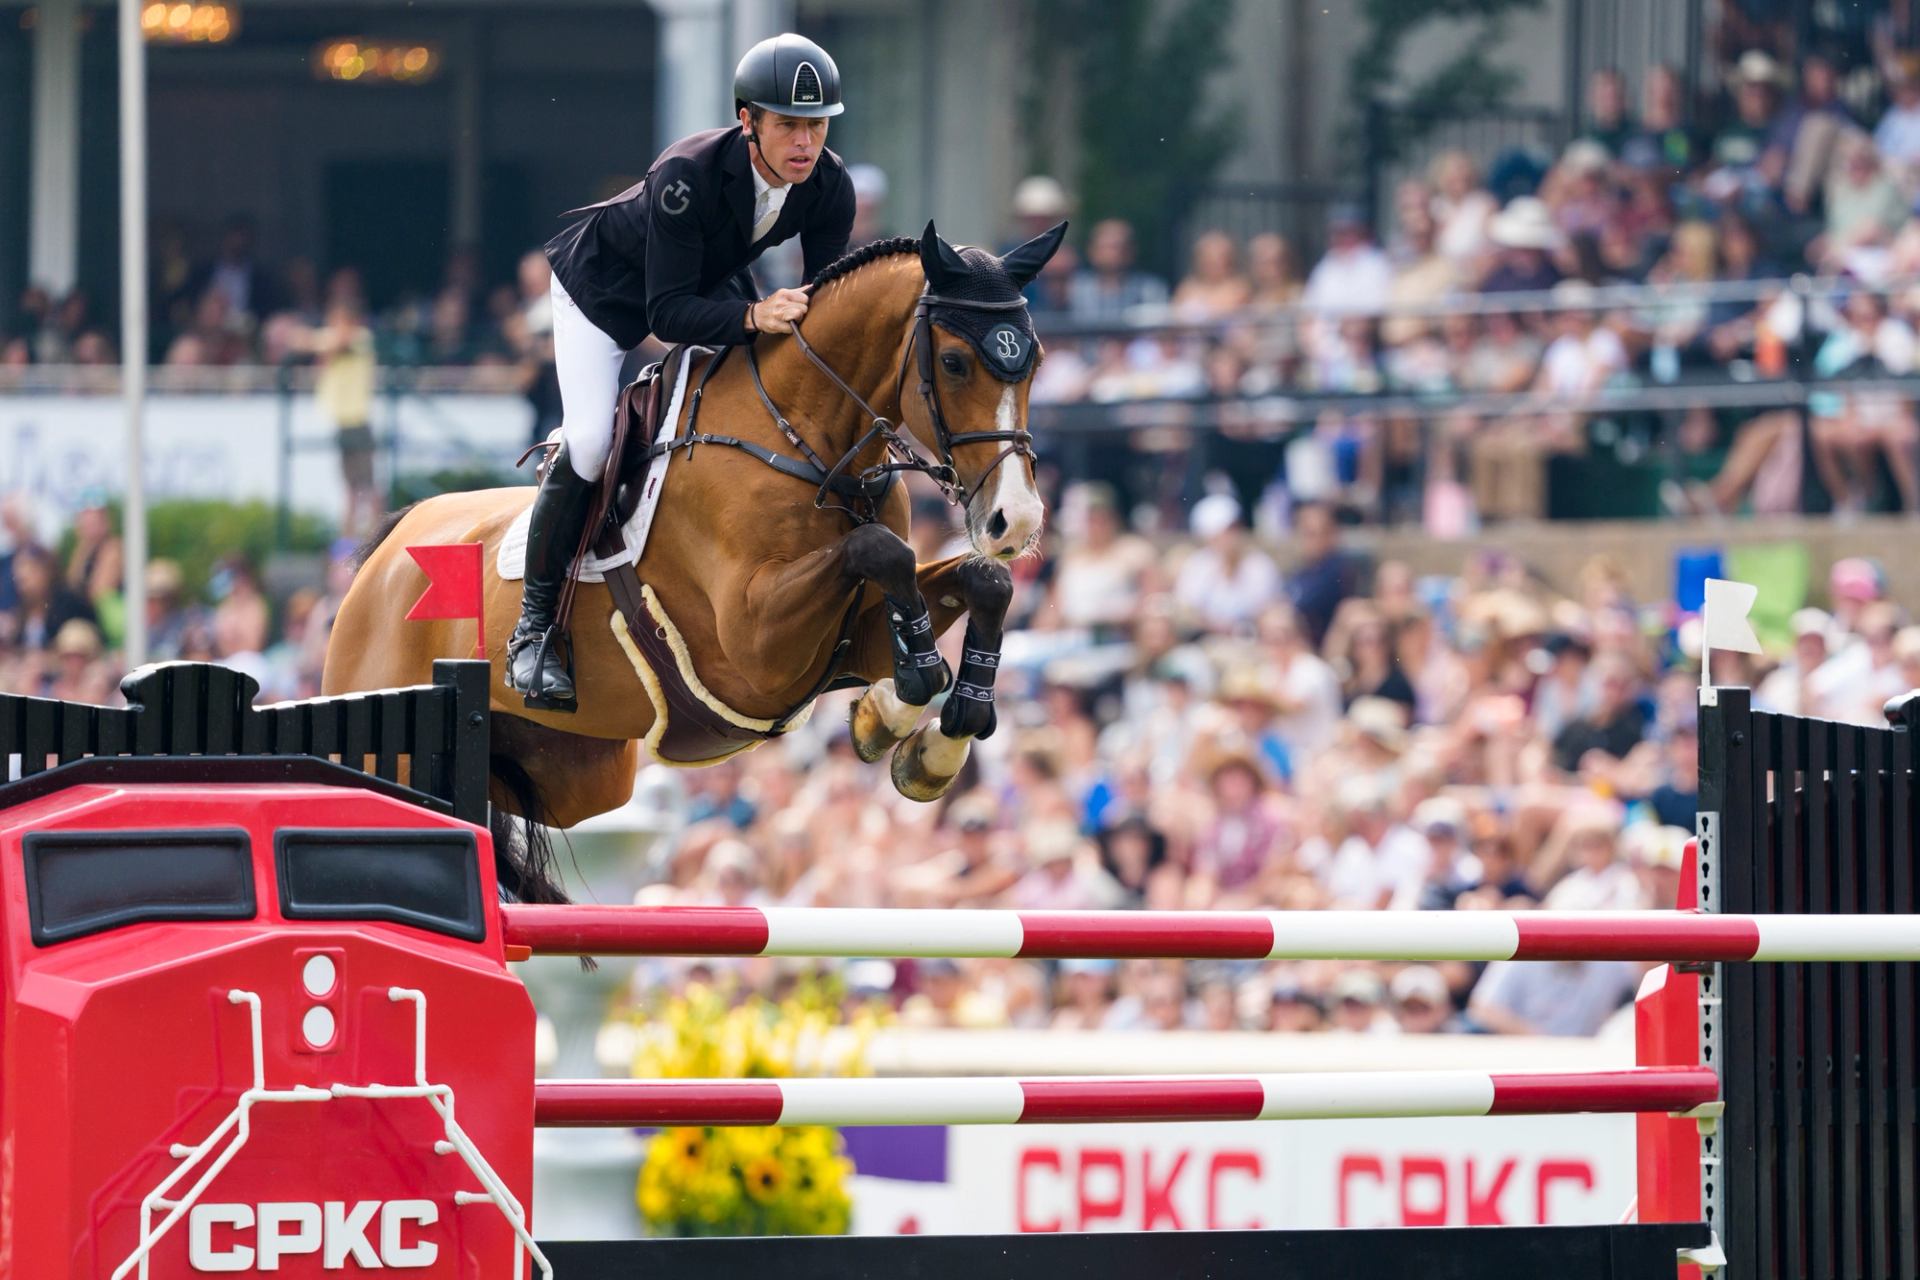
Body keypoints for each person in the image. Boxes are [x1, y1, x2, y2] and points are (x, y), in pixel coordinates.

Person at [514, 34, 856, 710]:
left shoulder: (829, 185)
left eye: (817, 126)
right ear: (747, 120)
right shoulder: (685, 176)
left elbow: (824, 311)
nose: (805, 143)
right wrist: (754, 316)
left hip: (706, 282)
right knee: (590, 443)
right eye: (787, 124)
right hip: (601, 295)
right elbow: (666, 316)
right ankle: (534, 631)